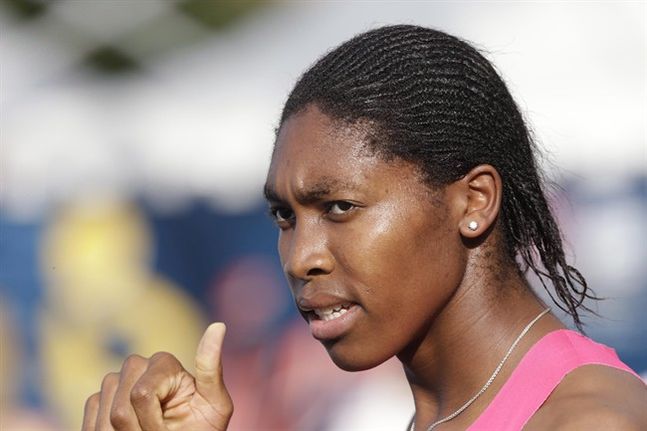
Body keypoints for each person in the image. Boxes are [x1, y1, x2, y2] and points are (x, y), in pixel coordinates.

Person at [82, 25, 647, 431]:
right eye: (284, 216)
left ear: (473, 200)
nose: (301, 258)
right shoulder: (440, 411)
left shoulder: (587, 419)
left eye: (340, 208)